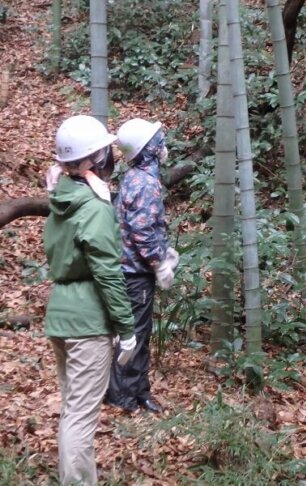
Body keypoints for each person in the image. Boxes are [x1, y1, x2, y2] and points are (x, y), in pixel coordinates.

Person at [44, 114, 136, 485]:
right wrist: (126, 329)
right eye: (105, 152)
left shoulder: (61, 198)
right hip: (87, 322)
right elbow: (108, 274)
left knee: (73, 410)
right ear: (93, 160)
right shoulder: (94, 207)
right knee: (81, 417)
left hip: (60, 315)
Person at [105, 118, 179, 414]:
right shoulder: (145, 183)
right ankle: (123, 396)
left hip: (131, 269)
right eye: (158, 141)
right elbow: (142, 231)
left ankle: (137, 391)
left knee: (138, 332)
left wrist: (163, 251)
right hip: (135, 274)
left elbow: (143, 226)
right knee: (134, 335)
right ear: (148, 149)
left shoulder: (137, 177)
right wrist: (159, 263)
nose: (163, 145)